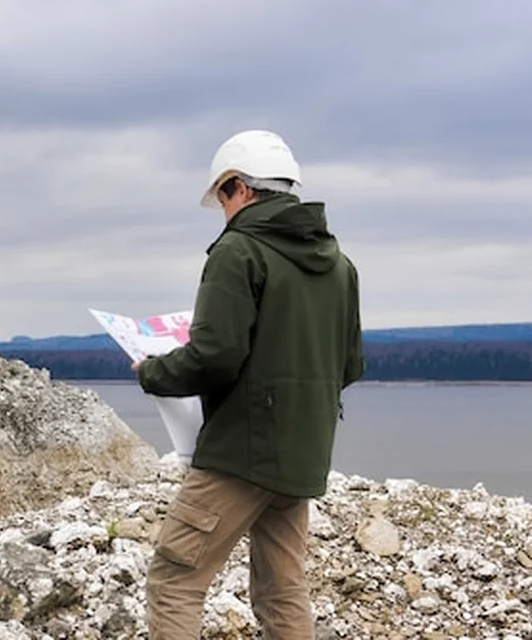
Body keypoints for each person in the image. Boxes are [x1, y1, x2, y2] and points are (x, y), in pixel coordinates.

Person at [133, 129, 364, 640]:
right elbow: (349, 366)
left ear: (239, 186)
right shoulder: (339, 265)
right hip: (301, 456)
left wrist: (153, 371)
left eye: (221, 194)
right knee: (282, 589)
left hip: (241, 454)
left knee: (175, 579)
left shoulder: (237, 252)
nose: (221, 207)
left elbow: (215, 356)